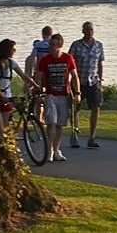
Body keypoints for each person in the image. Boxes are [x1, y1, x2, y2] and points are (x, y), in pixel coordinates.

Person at [36, 33, 78, 162]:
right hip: (50, 95)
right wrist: (39, 92)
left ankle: (56, 150)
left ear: (60, 45)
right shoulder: (45, 60)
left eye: (53, 45)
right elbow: (39, 76)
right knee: (51, 123)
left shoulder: (68, 58)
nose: (50, 47)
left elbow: (74, 76)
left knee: (60, 124)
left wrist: (77, 93)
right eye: (50, 44)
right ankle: (49, 150)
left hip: (63, 95)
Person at [68, 22, 106, 149]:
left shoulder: (99, 45)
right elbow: (69, 62)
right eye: (87, 30)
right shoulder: (76, 45)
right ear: (83, 31)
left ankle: (92, 137)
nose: (90, 32)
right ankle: (74, 135)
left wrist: (100, 80)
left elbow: (100, 64)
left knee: (96, 107)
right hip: (78, 81)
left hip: (93, 82)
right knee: (75, 109)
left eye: (91, 29)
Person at [0, 39, 26, 133]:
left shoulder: (12, 63)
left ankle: (1, 145)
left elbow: (23, 76)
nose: (14, 52)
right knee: (0, 129)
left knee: (5, 128)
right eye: (13, 50)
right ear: (6, 50)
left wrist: (36, 86)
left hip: (7, 98)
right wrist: (0, 96)